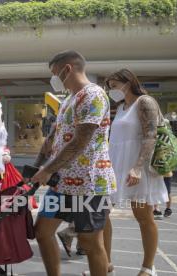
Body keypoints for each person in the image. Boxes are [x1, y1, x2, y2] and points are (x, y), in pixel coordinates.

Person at [31, 50, 116, 276]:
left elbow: (81, 140)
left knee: (90, 243)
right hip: (61, 184)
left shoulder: (94, 95)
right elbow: (52, 139)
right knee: (42, 232)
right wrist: (36, 167)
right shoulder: (69, 98)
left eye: (55, 73)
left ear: (67, 69)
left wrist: (47, 169)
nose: (54, 78)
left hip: (89, 184)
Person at [106, 68, 169, 276]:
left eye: (114, 86)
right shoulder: (121, 106)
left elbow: (150, 136)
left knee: (143, 216)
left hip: (137, 167)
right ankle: (104, 265)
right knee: (101, 213)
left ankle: (148, 268)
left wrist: (137, 167)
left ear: (128, 82)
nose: (112, 91)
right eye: (110, 87)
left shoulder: (145, 102)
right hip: (116, 166)